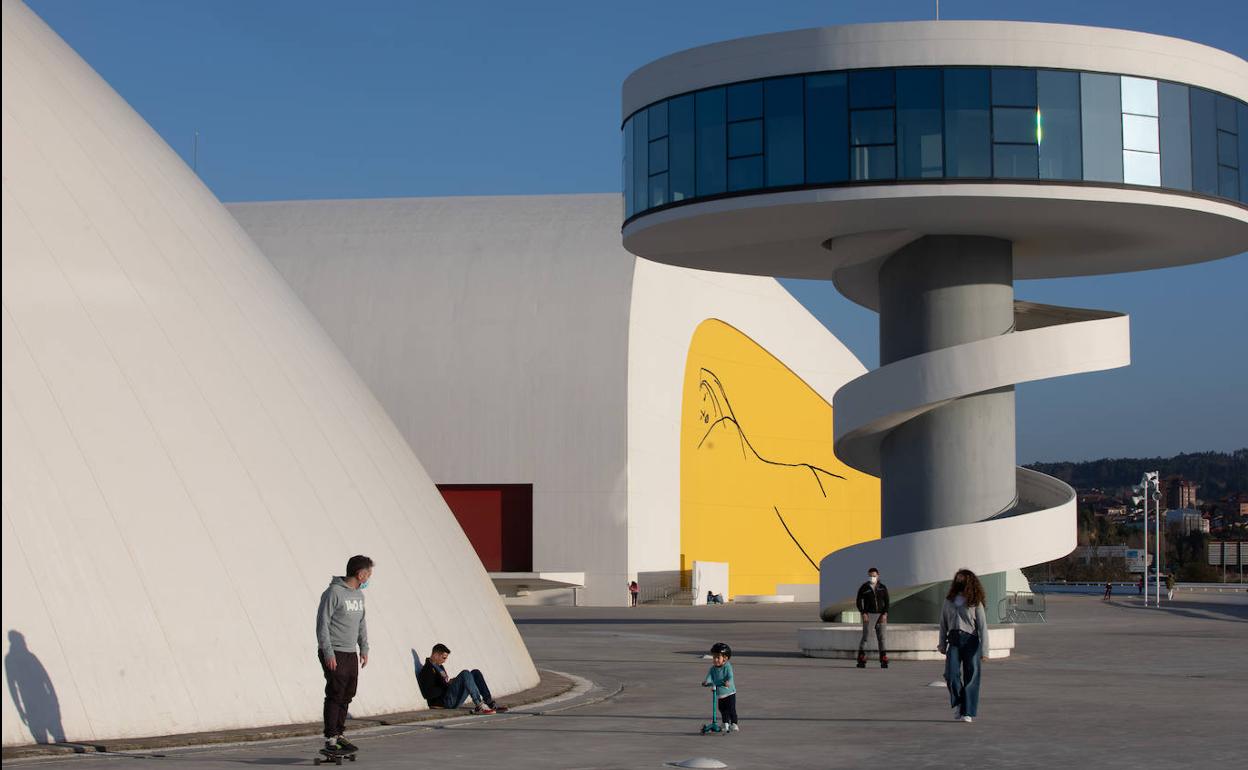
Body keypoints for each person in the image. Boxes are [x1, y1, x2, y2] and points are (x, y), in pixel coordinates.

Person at [316, 555, 373, 754]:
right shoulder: (333, 593)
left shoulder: (359, 595)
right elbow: (322, 624)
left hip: (350, 653)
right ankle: (330, 738)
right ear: (360, 574)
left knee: (348, 693)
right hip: (335, 651)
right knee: (335, 693)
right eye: (368, 574)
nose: (369, 578)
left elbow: (361, 624)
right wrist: (328, 652)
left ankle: (339, 734)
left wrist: (364, 648)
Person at [939, 568, 990, 723]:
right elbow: (943, 623)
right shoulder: (949, 600)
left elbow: (983, 627)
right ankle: (959, 703)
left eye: (963, 579)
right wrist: (942, 643)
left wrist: (985, 651)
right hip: (953, 640)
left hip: (971, 640)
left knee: (971, 675)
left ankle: (967, 711)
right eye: (958, 578)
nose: (959, 581)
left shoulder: (975, 603)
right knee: (950, 674)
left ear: (970, 582)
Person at [417, 643, 508, 714]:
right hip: (444, 702)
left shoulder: (439, 667)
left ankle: (490, 703)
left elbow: (443, 683)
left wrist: (450, 683)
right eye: (443, 658)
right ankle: (479, 705)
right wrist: (447, 685)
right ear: (436, 655)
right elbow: (428, 694)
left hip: (449, 696)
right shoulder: (427, 670)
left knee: (475, 673)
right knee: (465, 673)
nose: (445, 661)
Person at [855, 567, 890, 668]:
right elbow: (858, 601)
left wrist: (885, 614)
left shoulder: (882, 587)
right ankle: (861, 658)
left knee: (882, 638)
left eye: (874, 576)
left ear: (878, 575)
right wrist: (863, 613)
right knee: (865, 637)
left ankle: (883, 658)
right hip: (869, 615)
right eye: (870, 576)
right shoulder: (864, 587)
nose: (872, 578)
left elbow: (887, 602)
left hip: (881, 615)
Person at [701, 642, 738, 732]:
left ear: (725, 658)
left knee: (731, 709)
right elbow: (709, 677)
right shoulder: (713, 669)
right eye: (714, 657)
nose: (715, 660)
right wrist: (706, 682)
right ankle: (725, 723)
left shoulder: (727, 666)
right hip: (720, 693)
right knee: (722, 709)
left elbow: (730, 676)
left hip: (729, 692)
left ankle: (734, 723)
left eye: (718, 657)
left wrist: (727, 682)